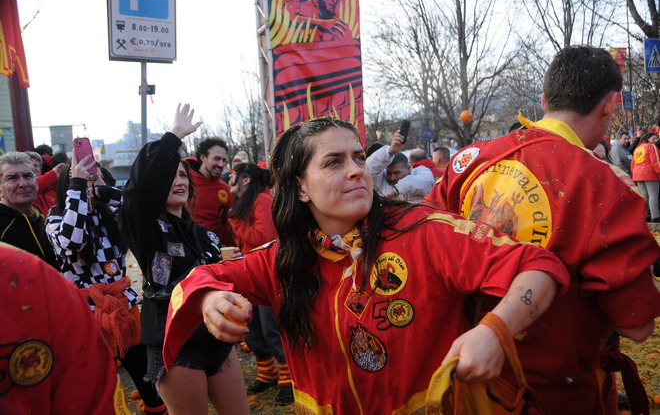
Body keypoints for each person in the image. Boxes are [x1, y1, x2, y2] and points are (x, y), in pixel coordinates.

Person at [162, 116, 570, 414]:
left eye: (358, 157)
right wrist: (210, 299)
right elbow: (196, 279)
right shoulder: (281, 259)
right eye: (334, 162)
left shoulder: (425, 232)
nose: (357, 170)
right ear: (301, 187)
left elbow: (538, 267)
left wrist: (495, 331)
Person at [425, 45, 660, 415]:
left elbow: (423, 247)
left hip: (464, 373)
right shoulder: (606, 185)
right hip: (552, 390)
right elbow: (637, 325)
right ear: (608, 106)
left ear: (544, 99)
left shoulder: (468, 161)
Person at [119, 104, 249, 414]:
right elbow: (139, 190)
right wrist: (174, 136)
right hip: (174, 344)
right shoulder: (145, 228)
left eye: (182, 176)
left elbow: (215, 279)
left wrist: (232, 266)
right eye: (169, 176)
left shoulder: (205, 235)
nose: (178, 181)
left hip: (215, 340)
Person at [44, 155, 168, 415]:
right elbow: (72, 241)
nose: (89, 184)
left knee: (150, 383)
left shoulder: (111, 214)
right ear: (68, 187)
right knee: (101, 389)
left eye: (94, 178)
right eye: (81, 180)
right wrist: (78, 188)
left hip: (124, 309)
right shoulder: (55, 219)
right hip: (86, 314)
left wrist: (109, 193)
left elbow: (147, 213)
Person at [0, 242, 128, 414]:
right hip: (89, 305)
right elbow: (72, 241)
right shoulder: (31, 270)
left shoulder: (31, 275)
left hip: (111, 303)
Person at [226, 162, 293, 405]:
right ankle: (267, 372)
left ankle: (288, 378)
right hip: (248, 271)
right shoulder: (244, 201)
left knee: (271, 327)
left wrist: (236, 223)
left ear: (245, 180)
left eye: (233, 176)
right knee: (252, 327)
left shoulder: (262, 200)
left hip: (267, 273)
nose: (229, 180)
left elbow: (265, 238)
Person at [0, 151, 58, 267]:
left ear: (36, 182)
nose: (23, 184)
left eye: (28, 176)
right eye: (12, 178)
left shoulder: (41, 218)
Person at [184, 137, 234, 247]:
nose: (221, 164)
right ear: (203, 157)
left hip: (216, 249)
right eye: (216, 159)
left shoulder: (224, 189)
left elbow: (227, 223)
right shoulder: (184, 181)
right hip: (188, 246)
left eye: (224, 160)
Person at [367, 132, 434, 203]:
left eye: (396, 173)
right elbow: (369, 167)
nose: (392, 178)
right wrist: (390, 151)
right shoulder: (381, 179)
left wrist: (396, 190)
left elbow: (427, 182)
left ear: (408, 168)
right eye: (389, 173)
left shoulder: (421, 171)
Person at [631, 131, 660, 222]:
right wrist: (659, 171)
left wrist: (634, 173)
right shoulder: (652, 146)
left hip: (638, 175)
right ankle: (655, 216)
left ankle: (644, 215)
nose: (655, 140)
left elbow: (633, 163)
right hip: (650, 174)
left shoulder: (638, 148)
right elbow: (655, 161)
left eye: (656, 138)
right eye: (653, 138)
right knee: (653, 195)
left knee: (644, 197)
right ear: (648, 139)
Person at [26, 151, 65, 215]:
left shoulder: (51, 192)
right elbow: (33, 185)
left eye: (36, 165)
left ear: (40, 169)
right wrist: (53, 173)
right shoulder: (25, 191)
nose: (33, 168)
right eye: (30, 165)